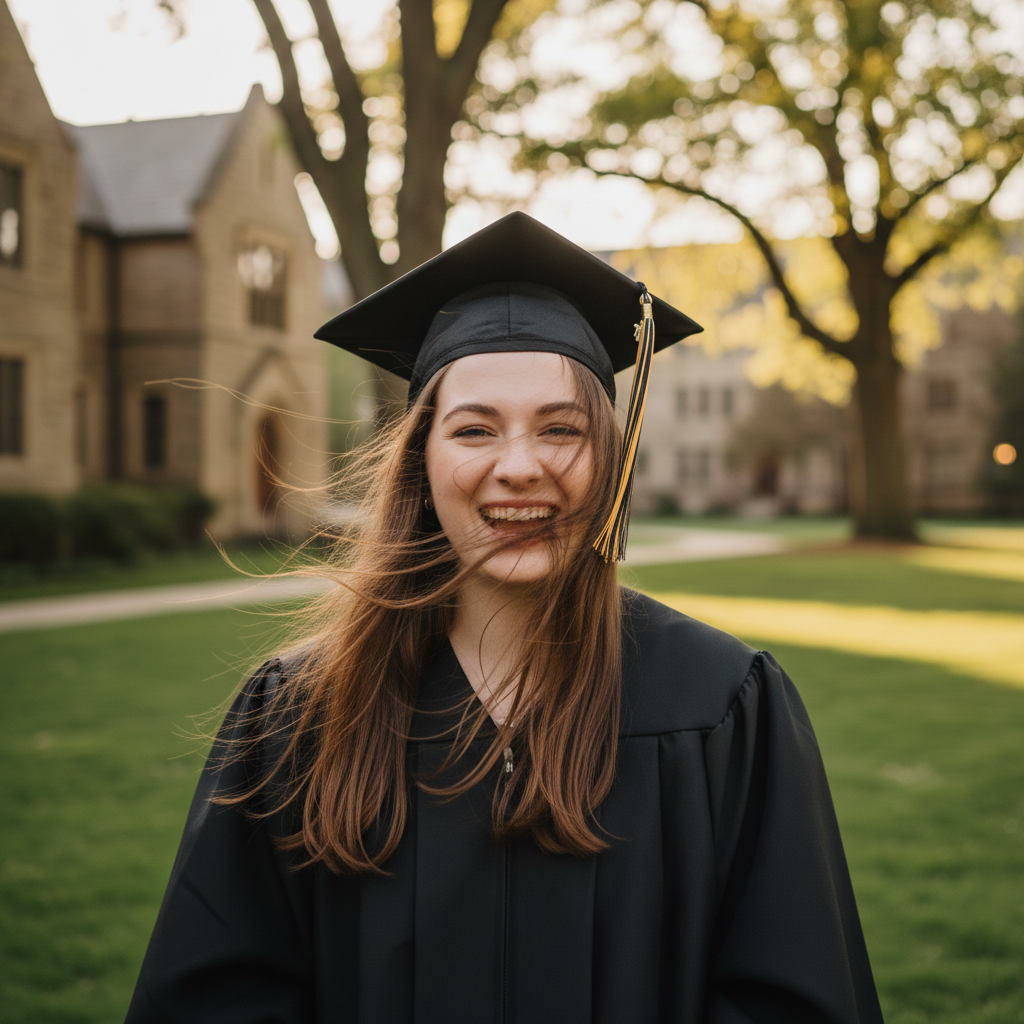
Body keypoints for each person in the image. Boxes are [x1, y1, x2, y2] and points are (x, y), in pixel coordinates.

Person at [125, 213, 884, 1024]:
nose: (519, 467)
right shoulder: (301, 712)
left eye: (562, 428)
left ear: (610, 459)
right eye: (474, 429)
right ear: (421, 457)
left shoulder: (722, 705)